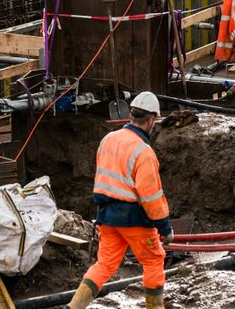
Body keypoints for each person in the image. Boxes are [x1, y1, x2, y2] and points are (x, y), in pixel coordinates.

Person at [67, 91, 172, 309]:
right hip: (134, 219)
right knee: (153, 260)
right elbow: (151, 196)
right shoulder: (144, 151)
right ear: (152, 119)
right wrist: (164, 227)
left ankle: (74, 306)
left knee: (104, 264)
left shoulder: (108, 139)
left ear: (131, 114)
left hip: (107, 217)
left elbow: (104, 178)